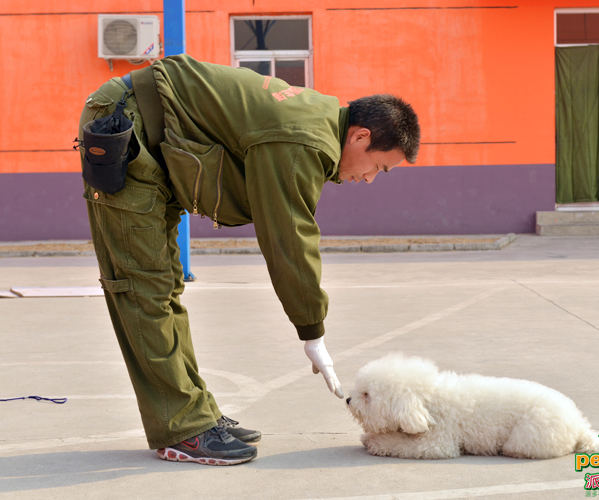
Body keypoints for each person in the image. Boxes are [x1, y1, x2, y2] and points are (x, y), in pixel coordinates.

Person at [77, 54, 420, 466]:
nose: (369, 179)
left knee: (165, 288)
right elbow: (288, 237)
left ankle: (196, 413)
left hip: (157, 143)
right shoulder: (302, 138)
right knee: (142, 288)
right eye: (378, 167)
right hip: (126, 124)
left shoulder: (317, 123)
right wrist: (312, 330)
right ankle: (181, 429)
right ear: (361, 137)